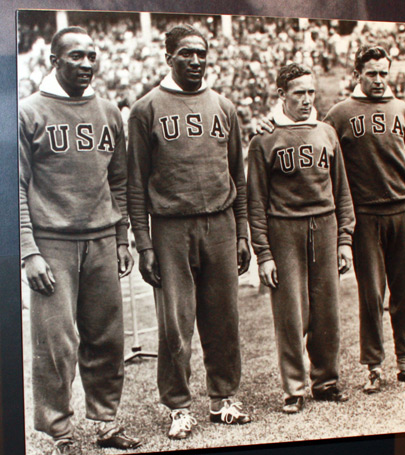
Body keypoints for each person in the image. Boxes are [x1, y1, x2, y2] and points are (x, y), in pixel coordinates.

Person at [19, 27, 141, 455]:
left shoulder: (108, 111)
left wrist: (122, 238)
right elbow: (14, 187)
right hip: (51, 242)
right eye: (76, 56)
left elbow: (120, 181)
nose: (87, 63)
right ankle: (60, 434)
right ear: (54, 60)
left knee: (107, 337)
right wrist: (28, 251)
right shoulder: (28, 112)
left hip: (103, 238)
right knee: (56, 343)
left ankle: (106, 423)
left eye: (92, 55)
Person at [127, 24, 251, 440]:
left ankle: (224, 399)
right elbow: (135, 182)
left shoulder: (225, 106)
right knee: (175, 324)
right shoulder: (146, 109)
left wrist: (243, 231)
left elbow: (239, 174)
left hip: (220, 221)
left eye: (201, 53)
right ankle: (179, 406)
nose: (196, 60)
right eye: (186, 54)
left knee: (223, 318)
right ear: (169, 58)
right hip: (170, 228)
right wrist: (143, 243)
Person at [247, 63, 355, 413]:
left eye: (311, 92)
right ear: (282, 95)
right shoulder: (265, 138)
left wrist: (344, 239)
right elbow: (257, 202)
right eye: (299, 93)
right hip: (284, 230)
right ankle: (293, 389)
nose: (307, 100)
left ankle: (326, 381)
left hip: (324, 226)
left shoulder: (326, 132)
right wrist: (263, 253)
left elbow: (342, 192)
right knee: (290, 314)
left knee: (327, 312)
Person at [324, 45, 405, 393]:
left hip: (402, 209)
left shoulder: (401, 109)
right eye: (372, 73)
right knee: (371, 294)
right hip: (364, 216)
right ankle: (374, 366)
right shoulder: (339, 115)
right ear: (357, 75)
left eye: (384, 72)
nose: (379, 79)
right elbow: (324, 161)